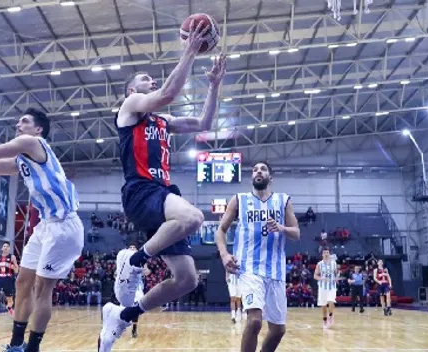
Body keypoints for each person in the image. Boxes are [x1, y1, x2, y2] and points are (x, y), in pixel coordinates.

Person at [98, 20, 227, 352]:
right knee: (195, 219)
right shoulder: (129, 110)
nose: (150, 81)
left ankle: (123, 315)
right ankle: (136, 260)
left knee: (187, 280)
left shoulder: (163, 121)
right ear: (131, 91)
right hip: (142, 190)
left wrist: (213, 86)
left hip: (163, 192)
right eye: (144, 79)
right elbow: (168, 93)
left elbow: (204, 123)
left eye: (150, 79)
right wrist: (190, 51)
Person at [0, 108, 83, 352]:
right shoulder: (23, 161)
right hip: (45, 226)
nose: (18, 124)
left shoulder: (32, 142)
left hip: (64, 226)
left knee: (42, 289)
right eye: (19, 121)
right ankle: (16, 344)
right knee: (23, 282)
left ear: (38, 129)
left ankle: (33, 348)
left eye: (24, 121)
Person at [215, 161, 300, 352]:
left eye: (262, 169)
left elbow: (296, 233)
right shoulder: (239, 199)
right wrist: (224, 254)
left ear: (271, 177)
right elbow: (220, 230)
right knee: (254, 322)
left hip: (276, 271)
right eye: (254, 170)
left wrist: (282, 228)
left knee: (278, 330)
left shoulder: (283, 200)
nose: (258, 172)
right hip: (248, 269)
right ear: (252, 177)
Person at [0, 241, 19, 328]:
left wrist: (14, 268)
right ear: (2, 248)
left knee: (10, 300)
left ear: (9, 249)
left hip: (7, 279)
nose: (6, 247)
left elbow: (17, 270)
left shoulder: (12, 257)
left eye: (7, 246)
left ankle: (9, 308)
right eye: (4, 246)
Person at [314, 247, 338, 329]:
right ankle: (324, 320)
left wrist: (337, 277)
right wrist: (322, 278)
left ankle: (331, 316)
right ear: (322, 254)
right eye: (324, 253)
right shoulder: (319, 264)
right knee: (323, 305)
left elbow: (337, 273)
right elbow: (315, 276)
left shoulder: (334, 263)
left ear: (329, 254)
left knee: (331, 301)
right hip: (322, 287)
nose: (326, 254)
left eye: (327, 252)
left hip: (332, 286)